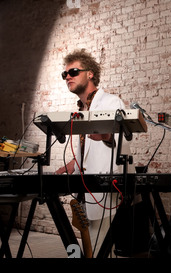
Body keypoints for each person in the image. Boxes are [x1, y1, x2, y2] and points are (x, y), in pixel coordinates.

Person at [55, 49, 130, 256]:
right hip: (83, 183)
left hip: (103, 184)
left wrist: (106, 137)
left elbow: (122, 140)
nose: (68, 77)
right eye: (65, 74)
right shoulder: (81, 109)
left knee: (101, 246)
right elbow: (85, 149)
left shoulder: (111, 102)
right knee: (90, 243)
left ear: (90, 74)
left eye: (74, 72)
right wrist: (71, 165)